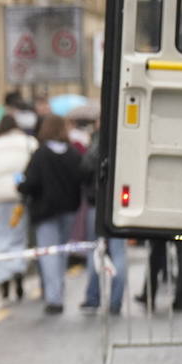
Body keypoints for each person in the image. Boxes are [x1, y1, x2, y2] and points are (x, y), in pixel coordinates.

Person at [19, 115, 83, 314]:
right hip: (68, 210)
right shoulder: (73, 154)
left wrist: (20, 185)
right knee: (61, 253)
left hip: (45, 211)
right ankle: (58, 288)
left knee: (48, 253)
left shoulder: (41, 154)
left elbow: (30, 183)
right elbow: (79, 180)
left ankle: (54, 297)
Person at [0, 114, 37, 300]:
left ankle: (3, 279)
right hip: (20, 197)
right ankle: (18, 273)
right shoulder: (28, 143)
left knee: (1, 238)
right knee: (18, 237)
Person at [79, 128, 127, 315]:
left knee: (95, 251)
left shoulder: (96, 145)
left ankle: (93, 298)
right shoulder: (126, 143)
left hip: (97, 204)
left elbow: (83, 170)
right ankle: (115, 301)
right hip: (121, 205)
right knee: (118, 253)